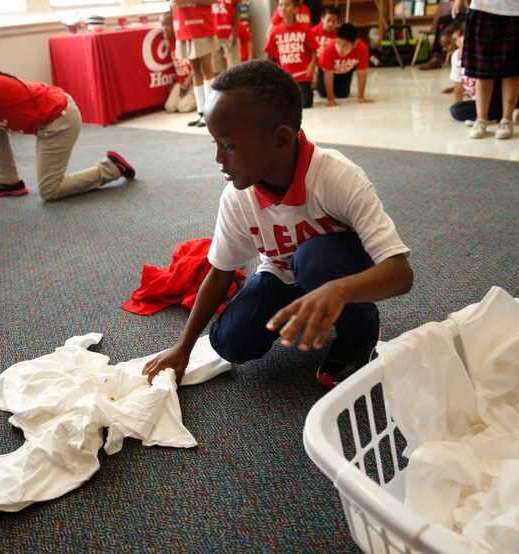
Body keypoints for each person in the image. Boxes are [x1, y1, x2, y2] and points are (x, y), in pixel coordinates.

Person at [142, 60, 413, 389]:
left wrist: (339, 289)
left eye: (228, 145)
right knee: (229, 343)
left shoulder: (338, 176)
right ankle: (310, 306)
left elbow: (401, 274)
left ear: (282, 140)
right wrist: (184, 347)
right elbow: (221, 270)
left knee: (313, 262)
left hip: (335, 269)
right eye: (215, 143)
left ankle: (360, 328)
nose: (218, 159)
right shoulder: (238, 197)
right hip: (281, 275)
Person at [0, 40, 135, 202]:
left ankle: (111, 168)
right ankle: (9, 182)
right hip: (56, 112)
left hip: (59, 120)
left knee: (50, 191)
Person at [453, 0, 519, 139]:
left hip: (518, 10)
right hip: (484, 8)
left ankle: (507, 120)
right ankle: (481, 119)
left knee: (512, 70)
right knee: (482, 71)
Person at [171, 0, 219, 127]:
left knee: (206, 70)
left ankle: (210, 113)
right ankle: (201, 111)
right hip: (183, 29)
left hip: (201, 27)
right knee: (195, 72)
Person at [265, 0, 320, 108]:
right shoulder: (275, 31)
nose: (283, 8)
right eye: (280, 5)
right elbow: (269, 54)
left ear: (296, 9)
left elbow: (313, 49)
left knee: (306, 103)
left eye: (287, 5)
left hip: (303, 75)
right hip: (286, 76)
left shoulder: (304, 28)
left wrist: (312, 64)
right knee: (283, 104)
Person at [317, 23, 374, 106]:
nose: (340, 49)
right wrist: (331, 99)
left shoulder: (362, 49)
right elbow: (328, 75)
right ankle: (316, 81)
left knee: (343, 95)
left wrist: (361, 96)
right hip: (325, 71)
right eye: (338, 43)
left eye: (345, 45)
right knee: (323, 94)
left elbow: (362, 73)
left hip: (345, 71)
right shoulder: (329, 49)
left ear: (354, 44)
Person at [162, 11, 197, 114]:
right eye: (162, 26)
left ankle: (202, 97)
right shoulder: (170, 42)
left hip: (192, 82)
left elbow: (194, 69)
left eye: (167, 26)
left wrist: (185, 86)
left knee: (182, 108)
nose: (164, 30)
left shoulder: (185, 40)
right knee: (169, 107)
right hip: (180, 82)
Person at [213, 0, 242, 70]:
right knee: (215, 69)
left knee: (235, 69)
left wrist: (234, 32)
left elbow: (236, 9)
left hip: (229, 34)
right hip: (213, 35)